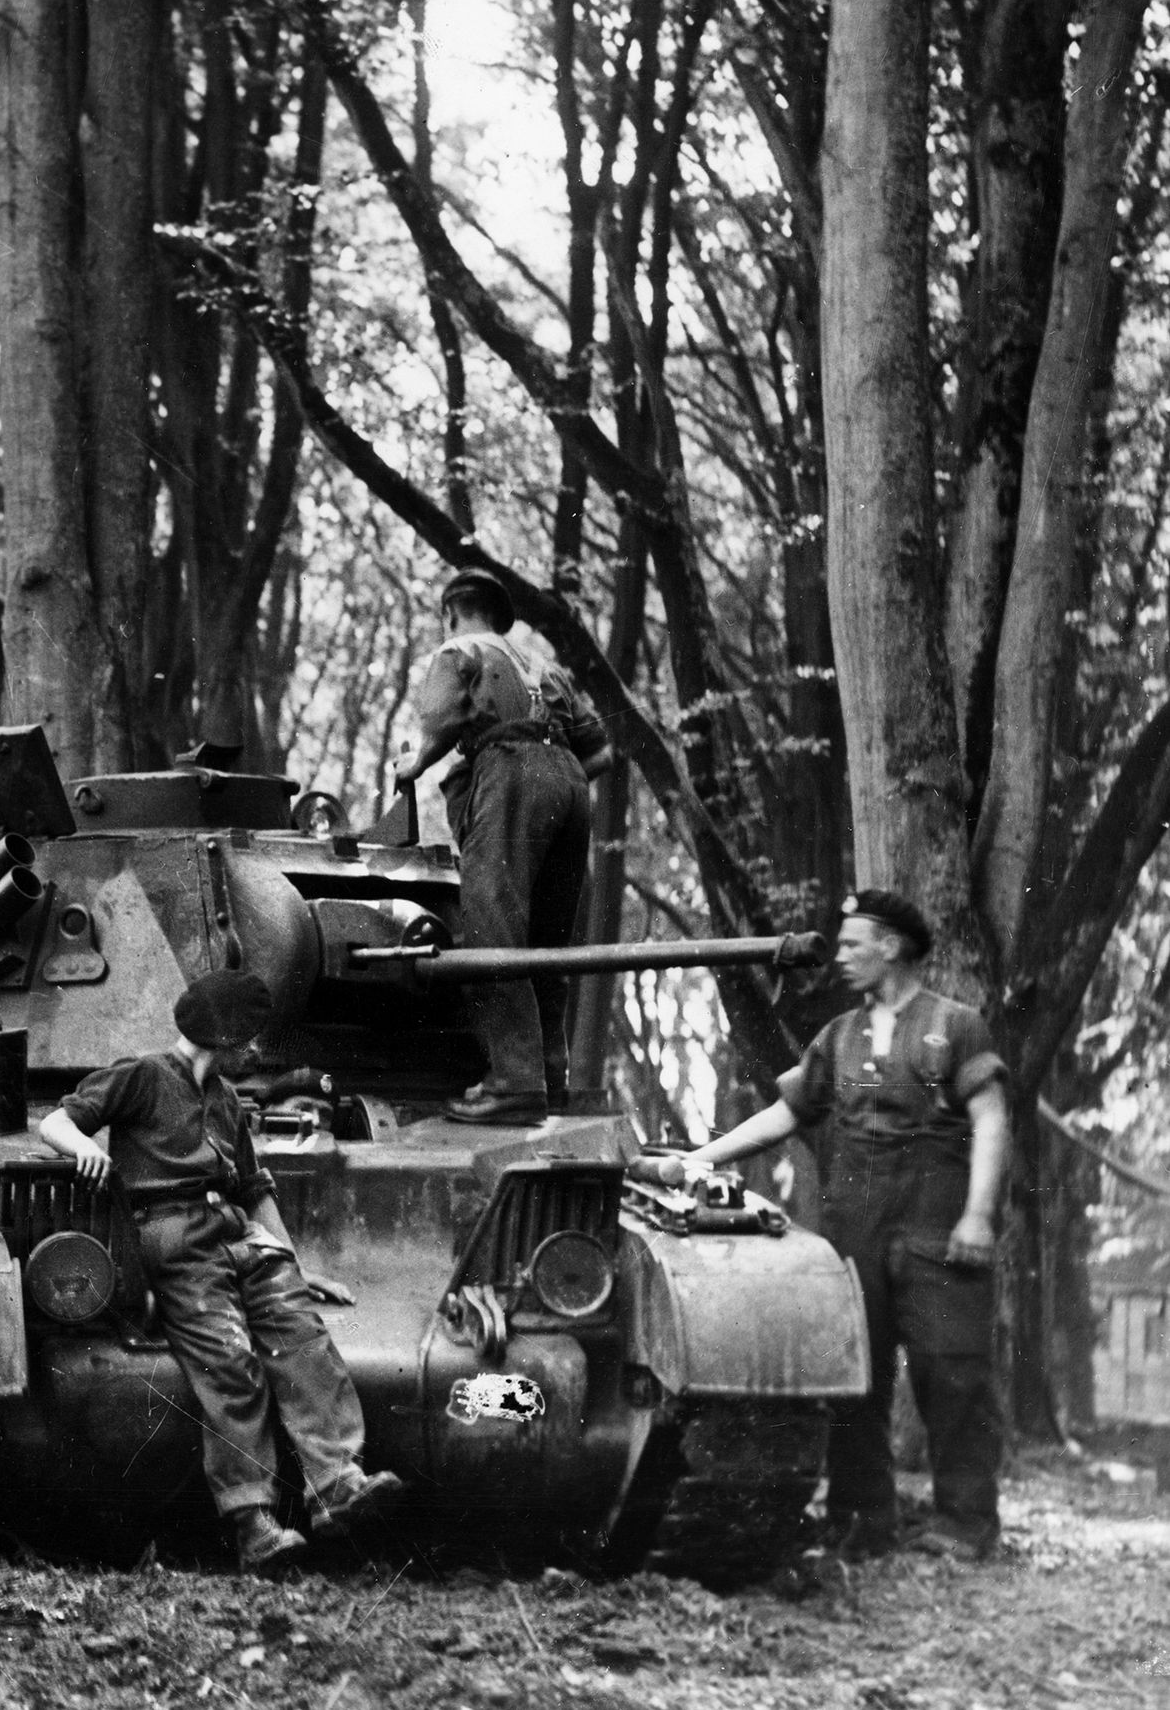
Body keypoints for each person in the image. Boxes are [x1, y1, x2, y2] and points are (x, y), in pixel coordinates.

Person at [677, 889, 1009, 1559]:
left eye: (856, 943)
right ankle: (861, 1524)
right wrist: (697, 1158)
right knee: (856, 1376)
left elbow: (993, 1119)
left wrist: (977, 1217)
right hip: (852, 1228)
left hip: (935, 1229)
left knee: (951, 1373)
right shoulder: (838, 1036)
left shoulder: (957, 1025)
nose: (845, 956)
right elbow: (788, 1112)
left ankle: (965, 1525)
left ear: (890, 946)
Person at [35, 969, 403, 1570]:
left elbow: (255, 1189)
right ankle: (253, 1521)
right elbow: (57, 1120)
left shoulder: (228, 1100)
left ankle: (336, 1482)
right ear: (223, 1035)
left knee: (302, 1334)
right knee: (229, 1361)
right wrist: (87, 1149)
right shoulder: (144, 1076)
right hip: (174, 1239)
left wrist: (291, 1261)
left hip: (238, 1234)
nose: (258, 1051)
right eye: (250, 1039)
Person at [392, 566, 611, 1125]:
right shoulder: (546, 666)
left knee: (494, 924)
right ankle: (548, 1080)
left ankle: (514, 1083)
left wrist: (413, 765)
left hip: (509, 768)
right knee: (548, 941)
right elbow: (601, 753)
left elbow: (438, 722)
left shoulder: (458, 649)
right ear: (500, 614)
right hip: (570, 781)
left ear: (451, 612)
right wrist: (551, 777)